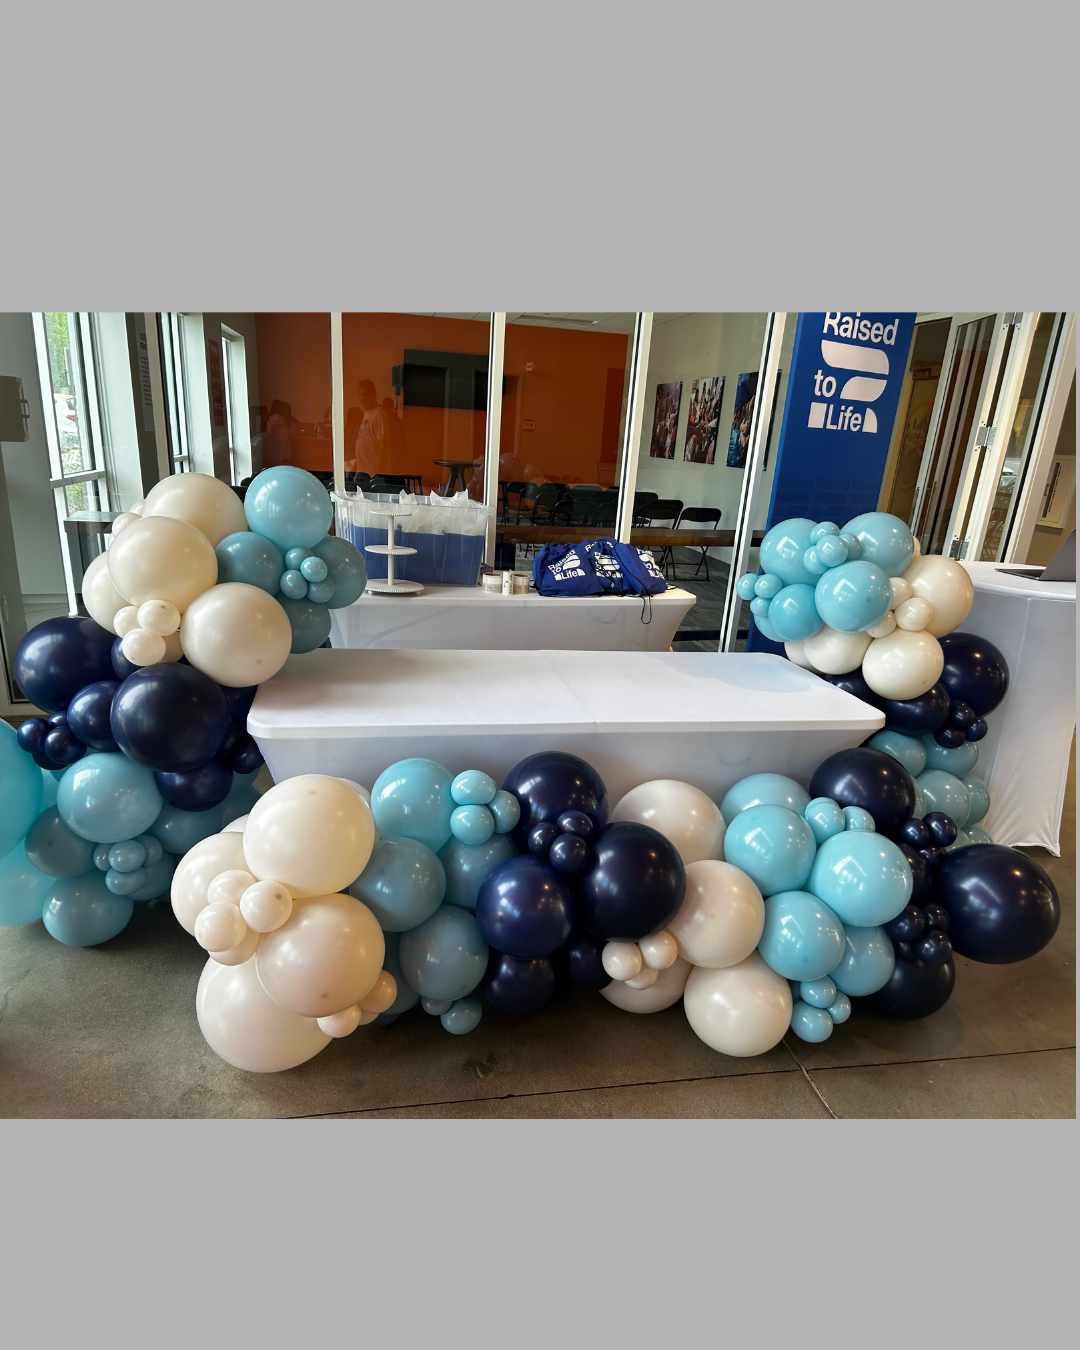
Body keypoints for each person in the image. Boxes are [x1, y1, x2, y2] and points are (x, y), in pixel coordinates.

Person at [349, 379, 389, 475]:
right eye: (360, 395)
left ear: (372, 395)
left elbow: (384, 447)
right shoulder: (366, 413)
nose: (362, 398)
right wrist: (353, 470)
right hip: (361, 473)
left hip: (372, 474)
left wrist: (377, 474)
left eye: (365, 395)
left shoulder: (378, 414)